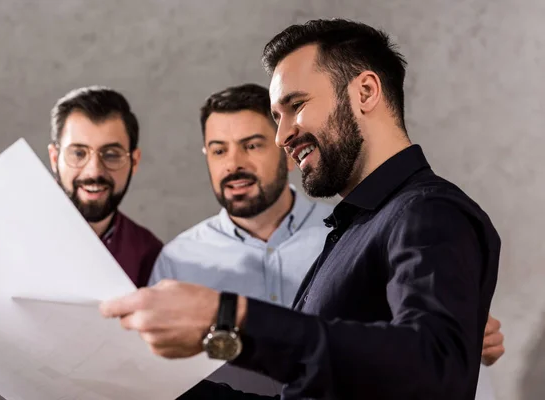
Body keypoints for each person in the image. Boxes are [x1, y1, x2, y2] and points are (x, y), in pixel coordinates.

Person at [100, 19, 502, 400]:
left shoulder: (428, 212)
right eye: (277, 116)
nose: (281, 136)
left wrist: (228, 317)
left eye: (296, 105)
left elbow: (434, 373)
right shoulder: (356, 225)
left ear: (365, 92)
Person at [0, 86, 163, 400]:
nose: (94, 170)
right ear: (54, 157)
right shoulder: (3, 232)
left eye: (111, 154)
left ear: (135, 160)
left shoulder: (153, 257)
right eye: (78, 152)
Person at [148, 83, 334, 395]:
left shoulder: (343, 233)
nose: (234, 164)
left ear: (288, 153)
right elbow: (162, 381)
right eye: (220, 150)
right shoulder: (177, 261)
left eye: (252, 146)